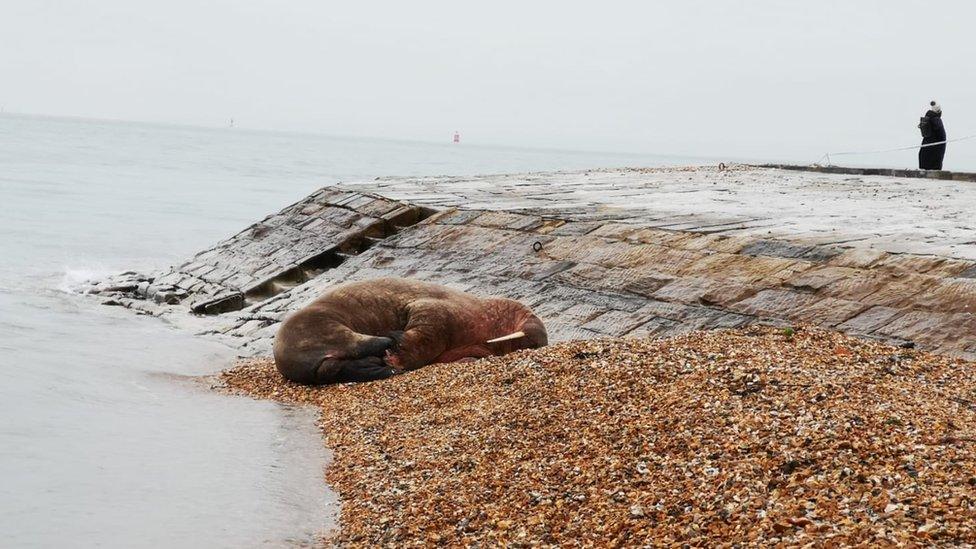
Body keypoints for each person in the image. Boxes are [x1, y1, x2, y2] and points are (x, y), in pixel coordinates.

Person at [918, 101, 946, 170]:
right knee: (934, 167)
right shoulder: (936, 120)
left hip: (925, 148)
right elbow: (941, 136)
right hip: (935, 149)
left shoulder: (927, 119)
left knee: (924, 166)